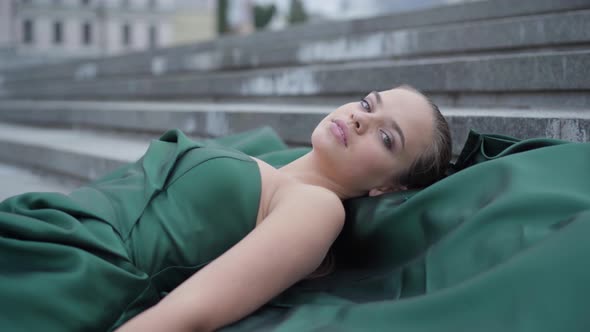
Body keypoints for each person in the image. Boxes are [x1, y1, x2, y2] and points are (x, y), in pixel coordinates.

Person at [0, 85, 452, 332]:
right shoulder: (273, 167)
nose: (361, 118)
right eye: (367, 103)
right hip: (43, 226)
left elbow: (193, 312)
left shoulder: (316, 208)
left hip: (72, 272)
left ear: (388, 187)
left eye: (386, 137)